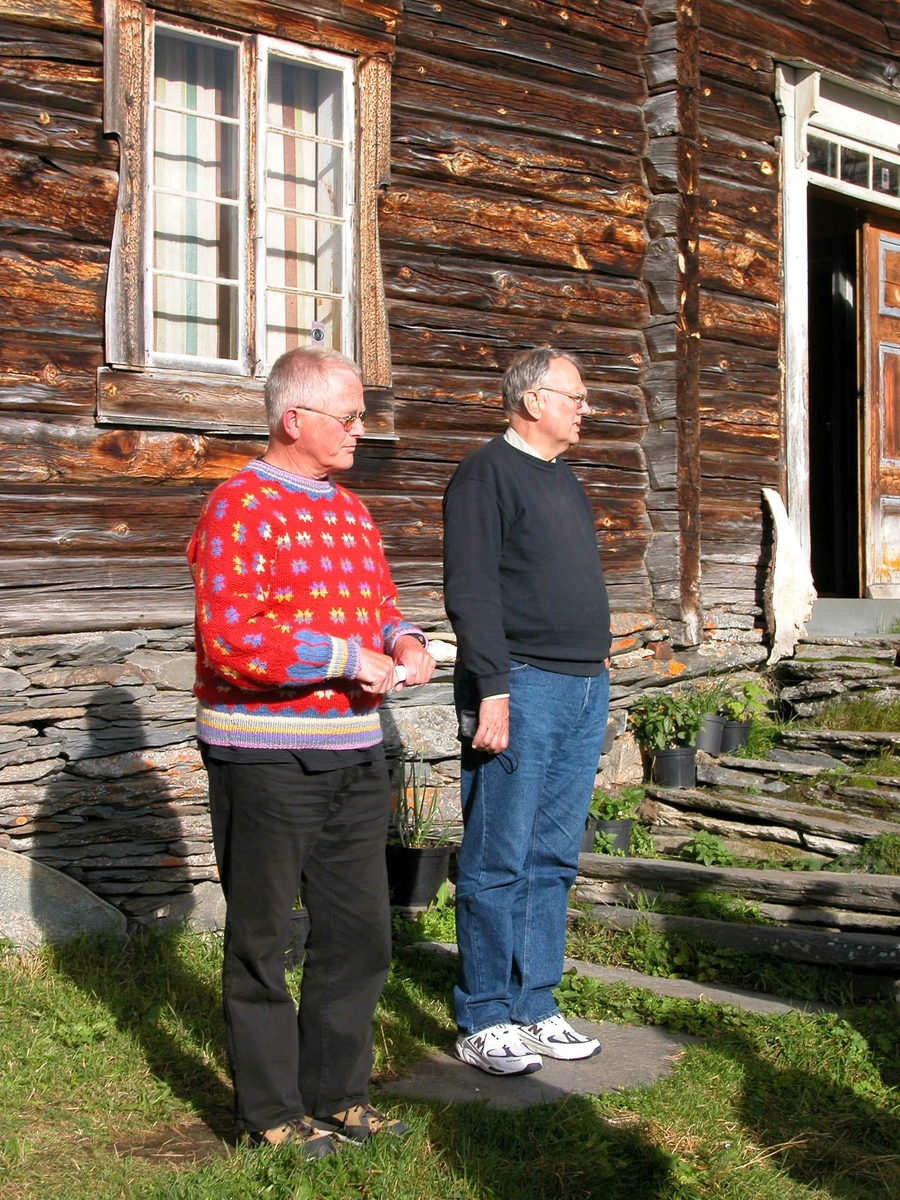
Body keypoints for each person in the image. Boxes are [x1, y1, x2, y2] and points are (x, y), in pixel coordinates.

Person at [187, 346, 435, 1155]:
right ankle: (268, 1115)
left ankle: (338, 1095)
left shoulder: (351, 510)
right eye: (350, 416)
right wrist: (343, 659)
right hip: (264, 758)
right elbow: (229, 639)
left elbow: (380, 609)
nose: (363, 430)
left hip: (356, 756)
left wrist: (406, 641)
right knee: (262, 940)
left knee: (360, 933)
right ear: (295, 419)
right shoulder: (238, 506)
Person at [442, 346, 611, 1076]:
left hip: (579, 687)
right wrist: (493, 687)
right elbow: (472, 590)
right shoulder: (485, 476)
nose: (585, 408)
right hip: (521, 684)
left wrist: (596, 663)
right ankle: (484, 1015)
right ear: (534, 400)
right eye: (575, 395)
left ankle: (535, 1004)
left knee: (551, 858)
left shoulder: (561, 479)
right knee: (498, 855)